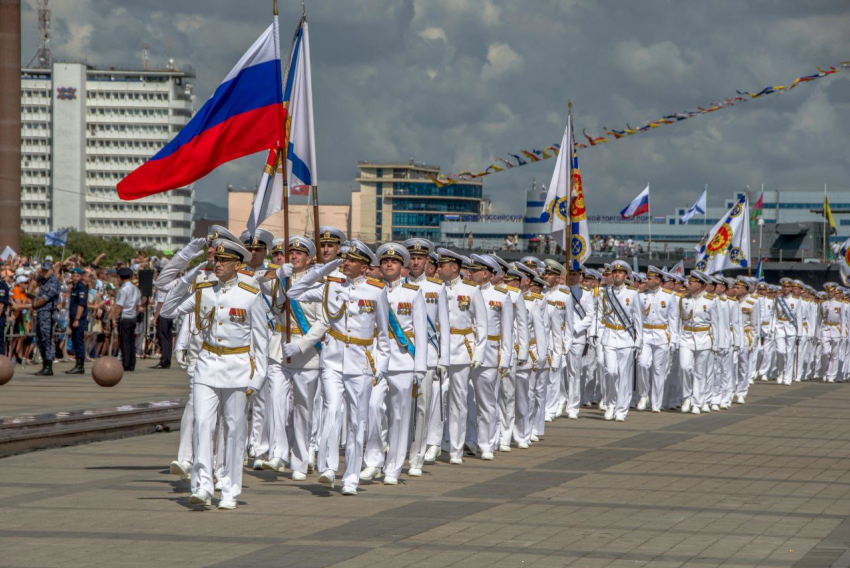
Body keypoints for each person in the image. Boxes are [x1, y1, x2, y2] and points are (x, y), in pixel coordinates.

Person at [161, 239, 269, 510]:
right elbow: (167, 310)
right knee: (202, 424)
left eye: (224, 261)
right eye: (216, 260)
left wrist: (257, 379)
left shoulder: (250, 294)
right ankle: (202, 484)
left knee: (234, 429)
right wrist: (187, 281)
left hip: (238, 366)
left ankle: (230, 488)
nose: (217, 264)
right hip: (207, 365)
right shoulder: (204, 290)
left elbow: (261, 343)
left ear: (237, 264)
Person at [285, 240, 391, 496]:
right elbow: (293, 293)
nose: (346, 262)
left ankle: (351, 477)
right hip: (332, 360)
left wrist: (382, 366)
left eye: (352, 260)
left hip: (361, 363)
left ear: (364, 266)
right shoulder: (330, 285)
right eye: (345, 258)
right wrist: (321, 272)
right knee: (331, 411)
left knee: (357, 422)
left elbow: (384, 336)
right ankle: (328, 468)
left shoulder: (376, 291)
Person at [360, 243, 427, 484]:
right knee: (373, 409)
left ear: (403, 267)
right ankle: (374, 460)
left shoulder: (412, 294)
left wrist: (420, 367)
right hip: (378, 361)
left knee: (399, 417)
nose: (389, 264)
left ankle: (393, 468)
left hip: (403, 361)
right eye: (386, 261)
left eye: (395, 262)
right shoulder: (370, 291)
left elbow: (420, 332)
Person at [402, 238, 450, 474]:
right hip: (401, 355)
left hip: (428, 355)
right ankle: (398, 452)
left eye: (421, 258)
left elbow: (445, 325)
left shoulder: (436, 288)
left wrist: (443, 360)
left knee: (422, 408)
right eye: (412, 257)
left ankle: (417, 457)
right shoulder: (397, 286)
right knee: (400, 409)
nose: (416, 261)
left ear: (428, 261)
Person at [599, 260, 643, 422]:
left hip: (626, 338)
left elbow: (637, 319)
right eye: (615, 272)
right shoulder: (605, 292)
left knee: (624, 376)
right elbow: (600, 316)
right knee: (610, 372)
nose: (617, 274)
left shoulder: (632, 294)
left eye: (620, 272)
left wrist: (639, 341)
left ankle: (621, 409)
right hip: (609, 336)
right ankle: (610, 404)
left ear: (626, 275)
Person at [32, 261, 60, 376]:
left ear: (52, 270)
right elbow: (33, 291)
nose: (44, 272)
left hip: (47, 313)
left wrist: (34, 305)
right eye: (42, 270)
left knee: (47, 338)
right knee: (40, 338)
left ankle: (48, 365)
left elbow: (44, 299)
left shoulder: (53, 282)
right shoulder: (44, 281)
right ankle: (45, 364)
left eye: (46, 270)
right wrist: (36, 279)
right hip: (41, 313)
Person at [112, 267, 141, 372]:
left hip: (125, 317)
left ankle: (126, 363)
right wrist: (135, 314)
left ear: (120, 277)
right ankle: (132, 363)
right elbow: (138, 306)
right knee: (131, 341)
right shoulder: (136, 289)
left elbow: (119, 305)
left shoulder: (123, 289)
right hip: (133, 316)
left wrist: (113, 318)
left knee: (124, 342)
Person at [65, 268, 88, 374]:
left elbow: (81, 305)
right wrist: (71, 320)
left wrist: (77, 319)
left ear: (81, 276)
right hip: (74, 318)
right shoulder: (74, 288)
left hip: (79, 319)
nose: (75, 277)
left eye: (77, 276)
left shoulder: (81, 288)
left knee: (78, 341)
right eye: (73, 276)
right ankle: (78, 364)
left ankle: (80, 365)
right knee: (75, 341)